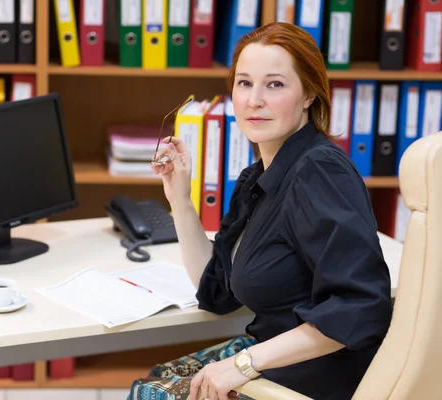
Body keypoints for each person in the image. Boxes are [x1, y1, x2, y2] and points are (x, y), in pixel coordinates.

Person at [127, 22, 393, 400]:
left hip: (318, 378)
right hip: (274, 360)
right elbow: (216, 291)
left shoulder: (319, 172)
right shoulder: (261, 174)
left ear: (309, 94)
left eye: (275, 84)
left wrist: (242, 364)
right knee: (155, 381)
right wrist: (180, 200)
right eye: (244, 83)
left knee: (152, 394)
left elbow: (359, 307)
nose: (254, 100)